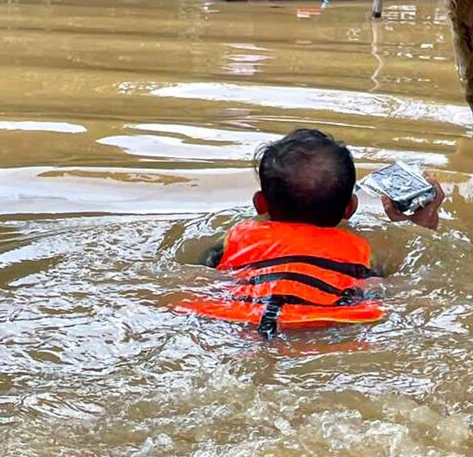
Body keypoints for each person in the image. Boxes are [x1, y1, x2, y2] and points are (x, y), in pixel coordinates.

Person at [183, 128, 444, 335]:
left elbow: (203, 279)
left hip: (233, 320)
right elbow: (393, 289)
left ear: (260, 203)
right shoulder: (362, 251)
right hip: (328, 324)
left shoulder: (233, 238)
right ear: (350, 209)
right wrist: (419, 231)